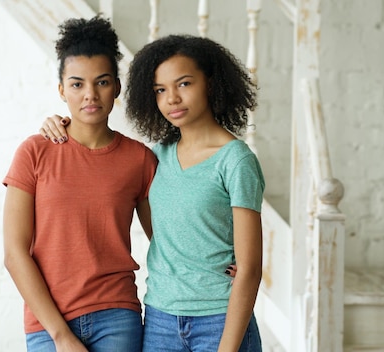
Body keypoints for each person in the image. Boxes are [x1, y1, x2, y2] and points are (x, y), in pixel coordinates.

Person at [41, 34, 264, 351]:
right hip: (160, 319)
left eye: (184, 84)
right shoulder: (155, 157)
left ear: (211, 84)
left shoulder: (236, 161)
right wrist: (60, 122)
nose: (172, 98)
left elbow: (250, 269)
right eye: (160, 90)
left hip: (219, 317)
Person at [2, 15, 157, 352]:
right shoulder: (35, 152)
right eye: (77, 84)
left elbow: (165, 240)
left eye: (102, 82)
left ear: (116, 86)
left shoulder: (139, 159)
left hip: (117, 317)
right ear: (61, 90)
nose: (90, 95)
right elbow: (15, 254)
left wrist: (226, 259)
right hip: (47, 322)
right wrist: (61, 336)